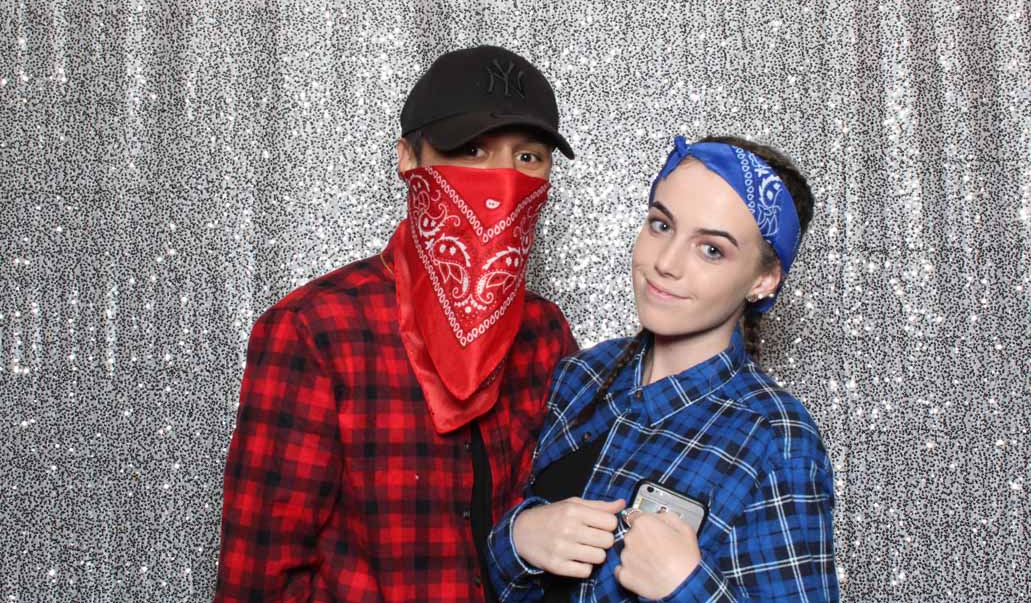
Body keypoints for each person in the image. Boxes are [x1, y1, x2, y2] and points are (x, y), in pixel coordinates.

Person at [213, 45, 579, 603]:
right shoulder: (317, 330)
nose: (503, 180)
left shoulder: (545, 333)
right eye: (472, 150)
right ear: (409, 158)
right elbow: (259, 577)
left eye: (528, 157)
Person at [487, 135, 838, 602]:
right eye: (661, 225)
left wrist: (686, 586)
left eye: (711, 249)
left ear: (763, 279)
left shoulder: (775, 440)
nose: (666, 263)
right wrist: (518, 539)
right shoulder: (578, 377)